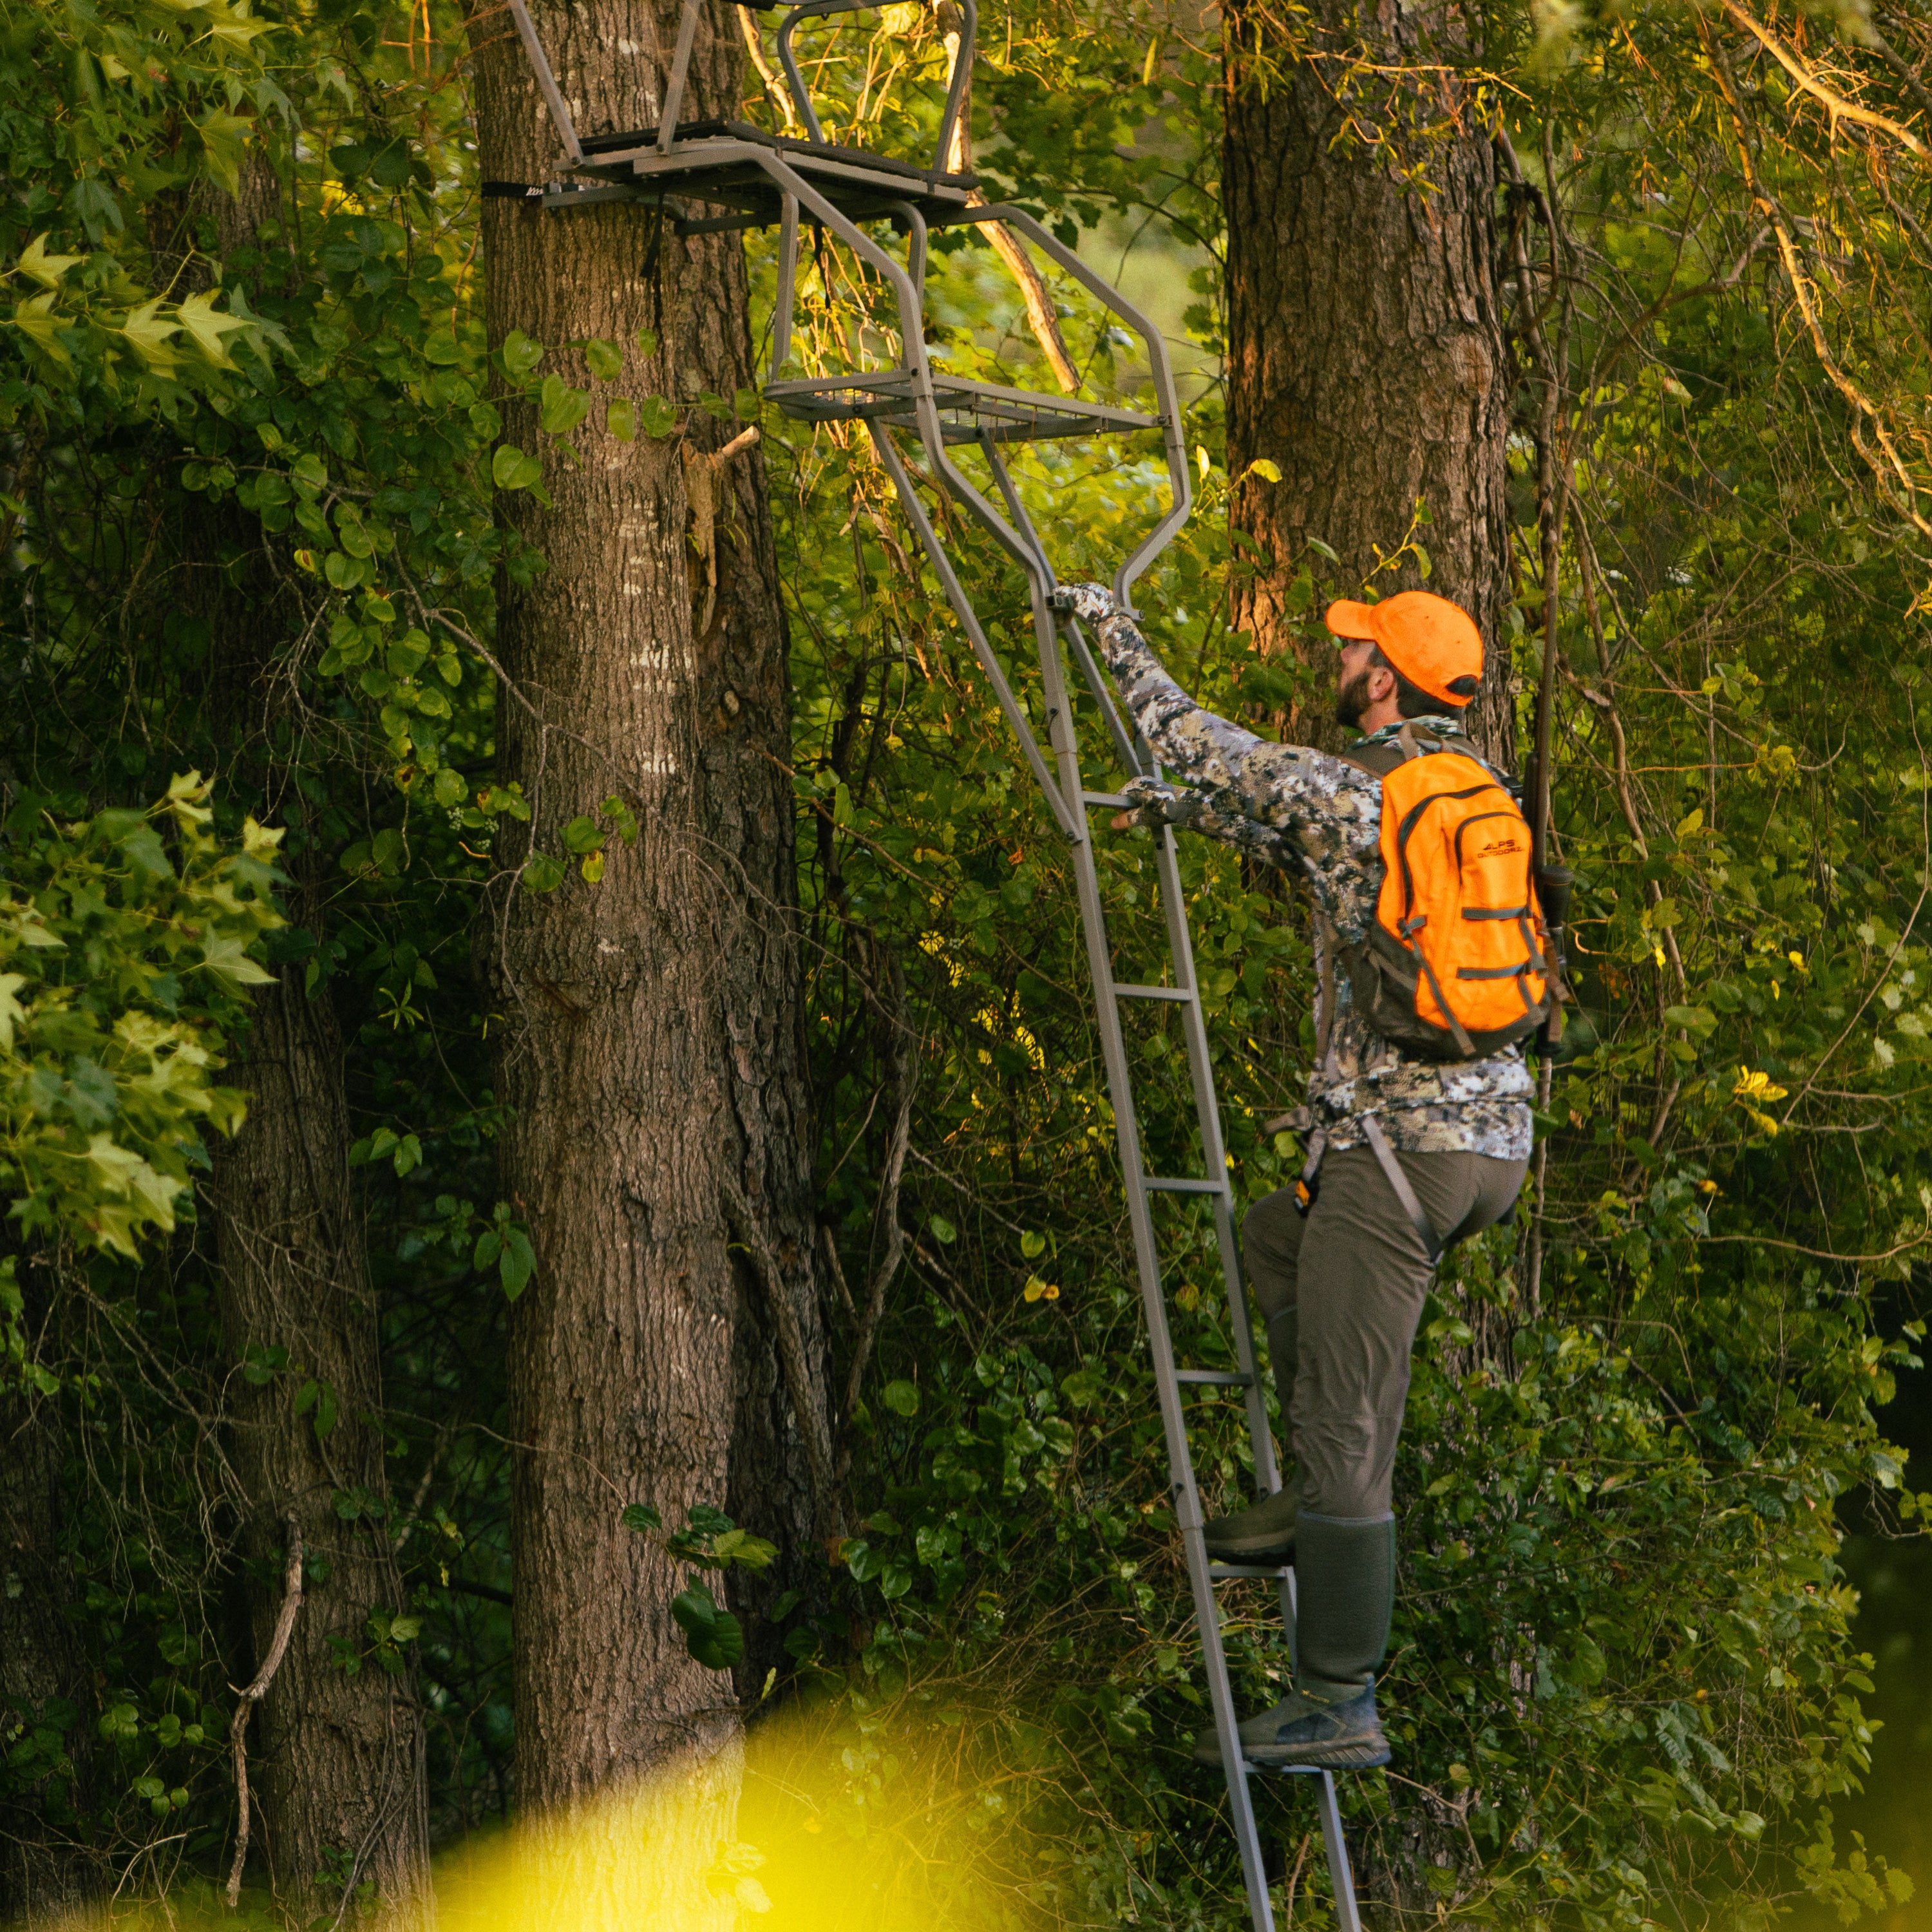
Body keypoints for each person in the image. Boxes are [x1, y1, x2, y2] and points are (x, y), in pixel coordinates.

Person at [1058, 582, 1534, 1772]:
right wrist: (1193, 818)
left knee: (1349, 1425)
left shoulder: (1343, 791)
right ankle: (1300, 1507)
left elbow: (1191, 737)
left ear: (1385, 679)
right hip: (1487, 1146)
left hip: (1398, 1162)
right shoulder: (1473, 797)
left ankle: (1337, 1702)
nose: (1338, 649)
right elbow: (1311, 851)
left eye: (1355, 644)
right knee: (1274, 1241)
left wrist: (1110, 622)